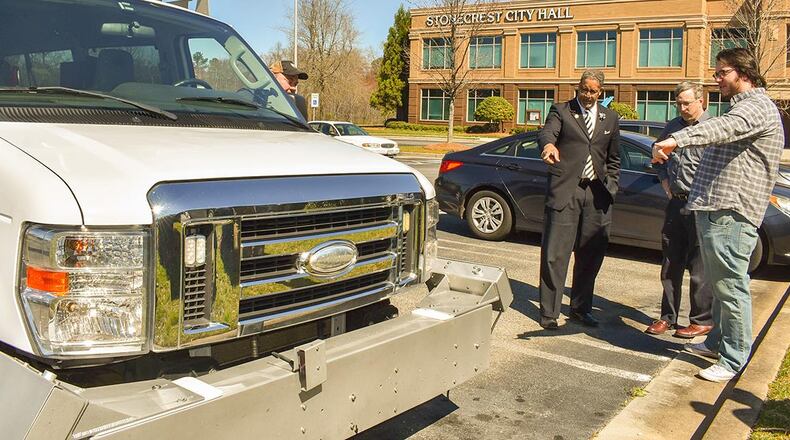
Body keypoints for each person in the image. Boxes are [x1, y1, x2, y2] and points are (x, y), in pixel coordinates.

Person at [653, 48, 784, 382]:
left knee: (730, 286)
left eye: (722, 72)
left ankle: (734, 358)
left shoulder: (756, 107)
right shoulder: (741, 107)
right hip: (715, 209)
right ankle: (717, 342)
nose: (717, 79)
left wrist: (675, 140)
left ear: (742, 72)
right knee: (722, 285)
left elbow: (720, 130)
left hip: (732, 211)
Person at [537, 70, 621, 329]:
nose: (587, 95)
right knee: (556, 254)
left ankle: (581, 309)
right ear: (578, 87)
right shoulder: (561, 111)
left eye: (593, 91)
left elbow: (614, 158)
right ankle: (549, 313)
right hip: (566, 191)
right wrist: (549, 146)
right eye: (584, 89)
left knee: (590, 255)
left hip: (596, 194)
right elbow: (547, 133)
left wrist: (612, 187)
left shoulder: (611, 118)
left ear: (601, 93)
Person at [645, 81, 713, 338]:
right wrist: (664, 179)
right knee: (671, 262)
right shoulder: (672, 127)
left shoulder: (712, 127)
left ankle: (699, 319)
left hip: (702, 205)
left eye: (687, 103)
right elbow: (657, 156)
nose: (683, 108)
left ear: (701, 100)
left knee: (700, 266)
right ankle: (667, 317)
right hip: (676, 203)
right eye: (679, 103)